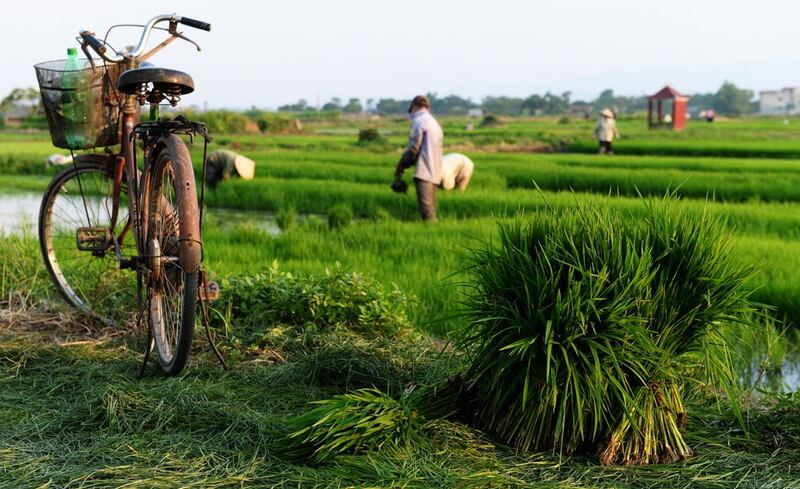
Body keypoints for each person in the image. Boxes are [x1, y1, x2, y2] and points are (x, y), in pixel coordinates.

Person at [394, 95, 444, 221]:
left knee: (426, 212)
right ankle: (433, 232)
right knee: (430, 208)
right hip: (435, 170)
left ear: (414, 106)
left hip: (424, 171)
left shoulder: (420, 121)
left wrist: (401, 165)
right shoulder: (433, 121)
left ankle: (432, 235)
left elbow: (413, 148)